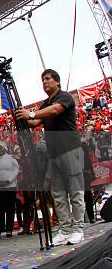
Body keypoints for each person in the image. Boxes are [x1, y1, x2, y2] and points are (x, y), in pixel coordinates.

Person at [16, 69, 85, 245]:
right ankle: (64, 229)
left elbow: (54, 111)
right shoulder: (45, 103)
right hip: (53, 153)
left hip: (70, 149)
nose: (45, 82)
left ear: (57, 82)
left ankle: (78, 229)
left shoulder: (64, 97)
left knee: (75, 192)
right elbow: (34, 122)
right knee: (59, 194)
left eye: (48, 79)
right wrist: (20, 116)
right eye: (43, 80)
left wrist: (30, 114)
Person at [0, 142, 19, 239]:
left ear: (5, 148)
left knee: (10, 208)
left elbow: (16, 170)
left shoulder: (11, 158)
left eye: (1, 147)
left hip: (10, 186)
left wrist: (9, 180)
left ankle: (9, 229)